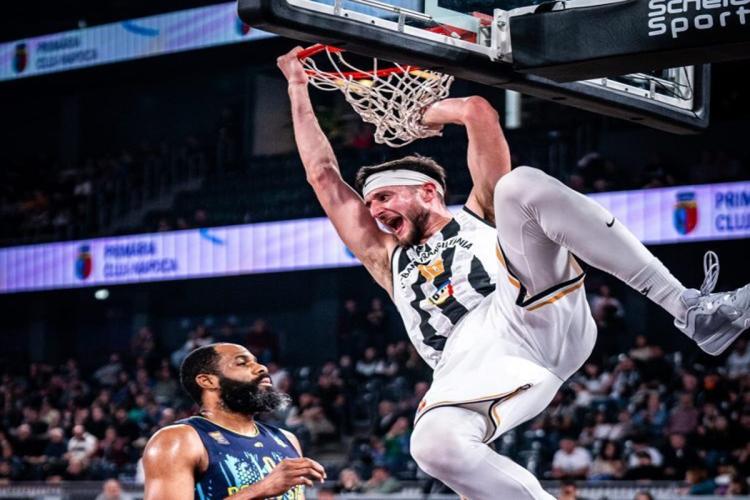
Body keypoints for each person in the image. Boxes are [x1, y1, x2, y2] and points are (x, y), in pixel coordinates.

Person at [276, 46, 750, 499]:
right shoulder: (386, 256)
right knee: (431, 445)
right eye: (371, 202)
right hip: (470, 363)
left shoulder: (478, 212)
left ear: (427, 192)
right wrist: (297, 86)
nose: (375, 210)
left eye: (384, 196)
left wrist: (427, 114)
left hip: (523, 309)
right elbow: (323, 175)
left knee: (518, 185)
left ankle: (689, 307)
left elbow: (478, 111)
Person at [142, 343, 326, 499]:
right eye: (242, 363)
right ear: (207, 381)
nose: (262, 368)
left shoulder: (286, 439)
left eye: (256, 361)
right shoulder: (179, 439)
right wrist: (261, 489)